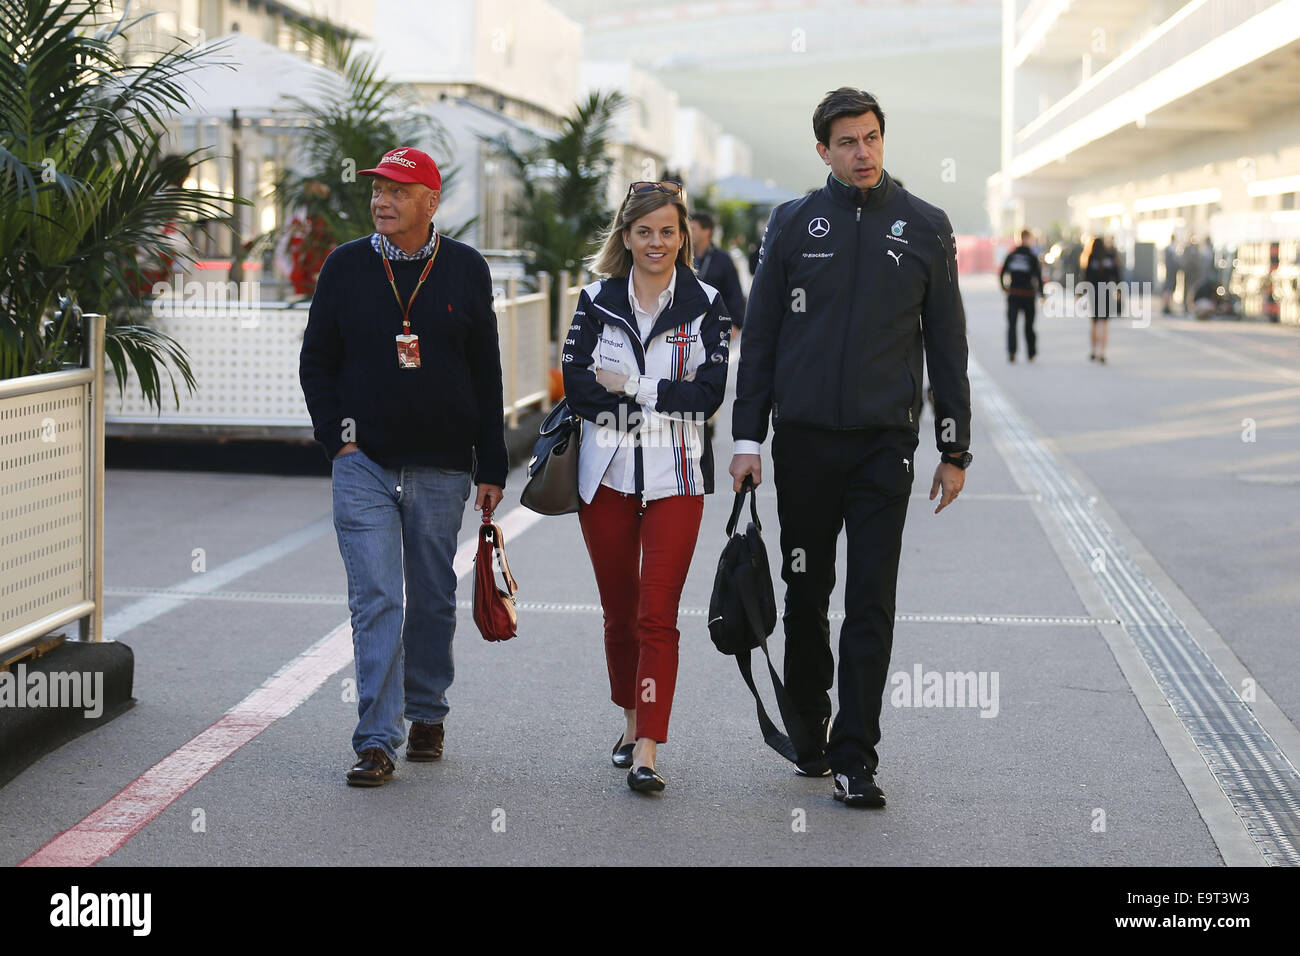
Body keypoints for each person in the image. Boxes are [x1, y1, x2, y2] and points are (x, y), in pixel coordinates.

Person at [730, 88, 971, 809]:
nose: (862, 153)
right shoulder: (794, 223)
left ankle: (856, 755)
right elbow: (763, 338)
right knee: (806, 594)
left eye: (871, 139)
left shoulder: (925, 226)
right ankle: (810, 729)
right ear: (823, 151)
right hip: (804, 445)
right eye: (847, 143)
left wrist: (953, 448)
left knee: (871, 599)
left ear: (882, 140)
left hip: (883, 449)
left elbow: (948, 345)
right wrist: (749, 437)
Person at [299, 146, 507, 787]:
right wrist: (339, 441)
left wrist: (492, 463)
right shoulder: (345, 267)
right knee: (377, 597)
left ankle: (427, 710)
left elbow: (486, 370)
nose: (382, 200)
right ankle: (376, 740)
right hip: (364, 463)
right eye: (377, 190)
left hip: (443, 464)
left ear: (430, 201)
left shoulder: (467, 268)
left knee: (433, 599)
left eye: (397, 189)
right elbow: (317, 363)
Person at [562, 181, 730, 795]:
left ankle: (649, 750)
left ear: (682, 236)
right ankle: (629, 721)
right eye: (644, 231)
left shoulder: (708, 302)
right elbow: (578, 385)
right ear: (625, 237)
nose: (657, 242)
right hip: (603, 476)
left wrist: (635, 389)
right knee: (620, 613)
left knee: (658, 614)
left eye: (668, 231)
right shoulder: (595, 298)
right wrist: (652, 405)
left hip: (677, 478)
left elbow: (707, 396)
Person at [689, 211, 746, 335]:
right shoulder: (683, 257)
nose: (689, 232)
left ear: (707, 232)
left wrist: (735, 323)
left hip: (715, 325)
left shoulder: (723, 259)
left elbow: (734, 292)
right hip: (688, 324)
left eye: (693, 229)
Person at [999, 228, 1043, 362]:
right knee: (1029, 326)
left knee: (1012, 325)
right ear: (1028, 239)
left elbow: (1002, 273)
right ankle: (1031, 353)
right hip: (1028, 295)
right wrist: (1042, 294)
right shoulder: (1031, 256)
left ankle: (1012, 352)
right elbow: (1038, 277)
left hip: (1014, 294)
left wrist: (1004, 288)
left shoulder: (1012, 255)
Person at [1082, 235, 1122, 362]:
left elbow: (1086, 277)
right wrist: (1119, 291)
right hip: (1107, 293)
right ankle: (1102, 352)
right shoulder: (1110, 258)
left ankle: (1094, 351)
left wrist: (1082, 293)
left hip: (1094, 293)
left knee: (1094, 323)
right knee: (1104, 324)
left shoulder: (1090, 258)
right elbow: (1117, 276)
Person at [1162, 236, 1180, 316]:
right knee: (1169, 289)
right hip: (1171, 273)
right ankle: (1167, 306)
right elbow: (1174, 262)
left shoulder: (1169, 249)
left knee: (1169, 289)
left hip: (1170, 273)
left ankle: (1167, 306)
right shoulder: (1171, 249)